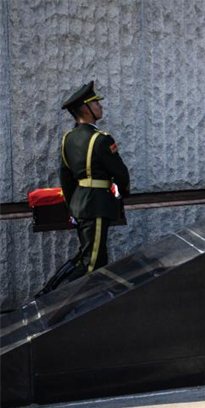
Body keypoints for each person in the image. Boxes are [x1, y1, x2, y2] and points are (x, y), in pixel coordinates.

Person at [39, 81, 130, 296]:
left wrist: (72, 207)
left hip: (80, 205)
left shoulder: (67, 139)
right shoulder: (101, 140)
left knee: (89, 255)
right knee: (92, 263)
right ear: (86, 109)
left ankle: (53, 292)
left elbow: (66, 178)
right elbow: (121, 174)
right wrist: (122, 194)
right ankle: (61, 303)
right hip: (97, 205)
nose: (100, 106)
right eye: (96, 103)